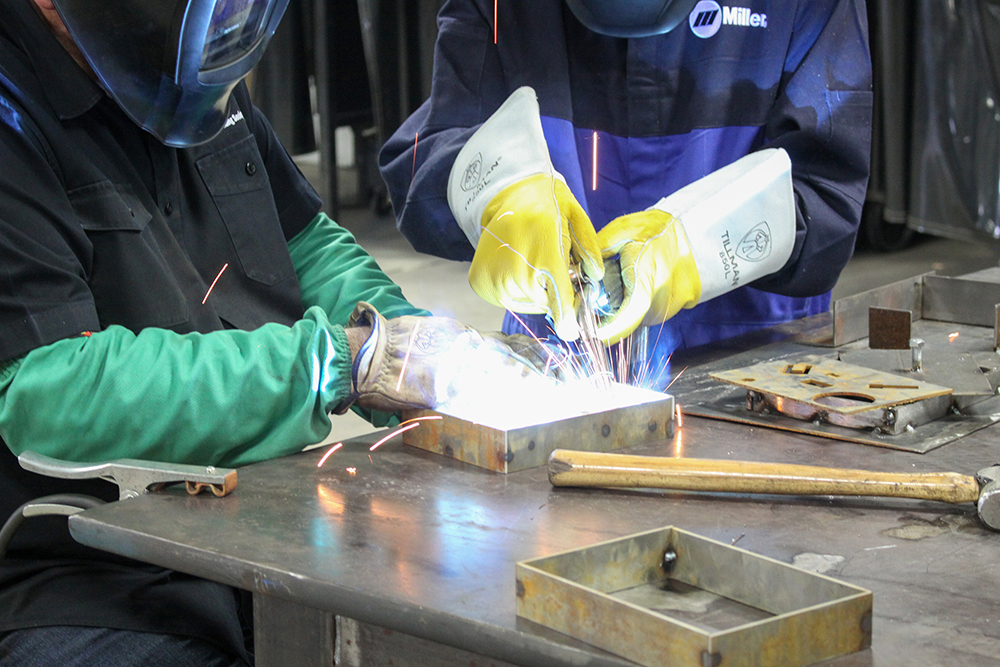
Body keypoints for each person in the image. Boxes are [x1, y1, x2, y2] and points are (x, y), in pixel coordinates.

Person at [0, 0, 554, 665]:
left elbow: (305, 244)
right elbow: (52, 395)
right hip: (88, 575)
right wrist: (339, 362)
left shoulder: (186, 73)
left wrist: (409, 340)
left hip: (253, 534)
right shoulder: (14, 110)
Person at [380, 0, 873, 384]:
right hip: (558, 360)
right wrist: (499, 199)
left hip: (755, 364)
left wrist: (693, 252)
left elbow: (827, 194)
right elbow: (428, 153)